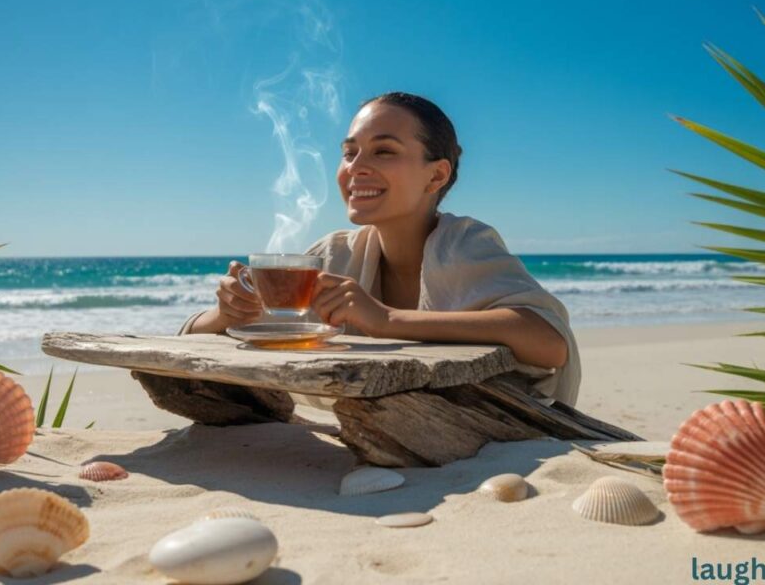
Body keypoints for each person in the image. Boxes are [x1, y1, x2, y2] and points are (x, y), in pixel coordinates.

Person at [164, 92, 580, 417]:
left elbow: (549, 342)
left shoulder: (464, 242)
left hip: (499, 426)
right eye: (349, 152)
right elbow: (188, 346)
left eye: (383, 151)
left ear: (436, 175)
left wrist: (386, 319)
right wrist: (227, 314)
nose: (355, 167)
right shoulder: (332, 255)